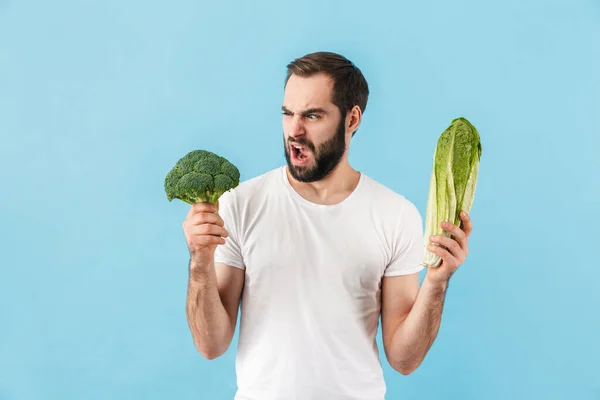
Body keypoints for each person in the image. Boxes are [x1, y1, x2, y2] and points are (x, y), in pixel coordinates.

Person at [182, 51, 473, 400]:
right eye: (287, 114)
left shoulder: (395, 214)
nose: (294, 130)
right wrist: (200, 264)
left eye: (312, 115)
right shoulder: (240, 204)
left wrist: (437, 283)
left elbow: (404, 359)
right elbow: (211, 345)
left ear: (352, 119)